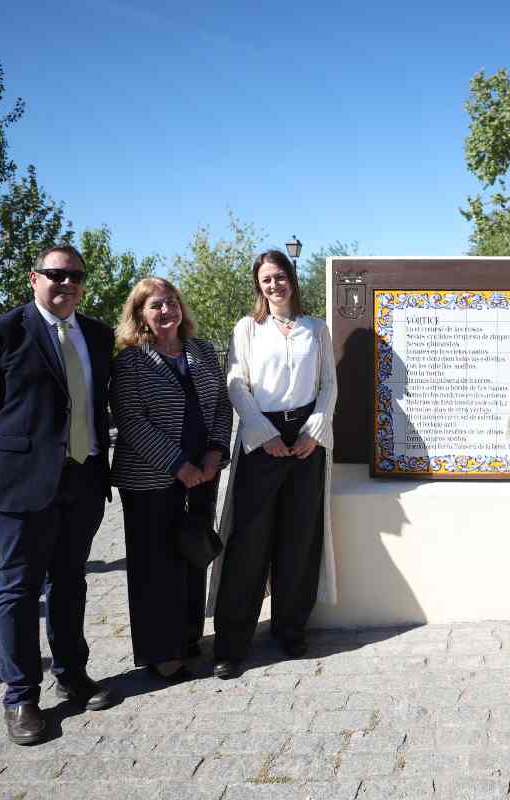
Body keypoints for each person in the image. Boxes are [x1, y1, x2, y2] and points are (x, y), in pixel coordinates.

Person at [0, 244, 116, 745]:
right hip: (23, 484)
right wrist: (6, 454)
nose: (65, 283)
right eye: (55, 275)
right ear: (34, 278)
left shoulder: (96, 335)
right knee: (19, 589)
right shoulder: (2, 331)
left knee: (70, 583)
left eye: (75, 276)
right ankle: (20, 696)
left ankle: (71, 675)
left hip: (82, 481)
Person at [209, 250, 338, 679]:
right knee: (249, 543)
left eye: (279, 277)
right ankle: (232, 643)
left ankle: (289, 630)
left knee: (299, 538)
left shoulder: (315, 329)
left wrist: (313, 431)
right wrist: (263, 434)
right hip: (259, 439)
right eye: (265, 280)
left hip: (305, 441)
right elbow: (235, 383)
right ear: (258, 285)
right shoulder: (248, 329)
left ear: (292, 279)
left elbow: (328, 386)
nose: (273, 285)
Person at [109, 278, 232, 683]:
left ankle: (188, 637)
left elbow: (220, 405)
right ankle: (160, 652)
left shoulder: (203, 351)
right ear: (140, 314)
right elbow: (131, 421)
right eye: (156, 305)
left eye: (172, 302)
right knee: (154, 565)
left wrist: (215, 452)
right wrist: (180, 466)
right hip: (151, 479)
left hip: (203, 474)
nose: (166, 311)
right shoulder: (130, 361)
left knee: (193, 554)